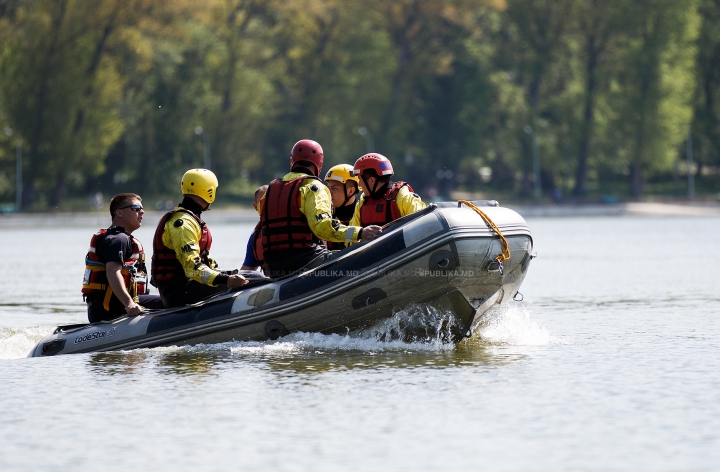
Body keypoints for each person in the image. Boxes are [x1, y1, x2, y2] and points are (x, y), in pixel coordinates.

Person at [258, 139, 382, 277]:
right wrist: (359, 233)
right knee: (358, 259)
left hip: (272, 267)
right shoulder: (313, 187)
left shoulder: (269, 191)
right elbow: (322, 228)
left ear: (292, 161)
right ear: (319, 164)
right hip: (304, 262)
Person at [151, 169, 248, 307]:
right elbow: (191, 267)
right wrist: (225, 280)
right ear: (208, 190)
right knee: (251, 282)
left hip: (187, 285)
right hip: (178, 291)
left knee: (251, 276)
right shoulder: (182, 224)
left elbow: (204, 260)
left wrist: (228, 274)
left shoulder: (191, 219)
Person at [82, 193, 164, 323]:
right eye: (136, 208)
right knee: (171, 302)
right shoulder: (118, 239)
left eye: (142, 209)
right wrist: (129, 304)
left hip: (105, 306)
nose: (142, 212)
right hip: (110, 307)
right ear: (119, 213)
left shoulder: (119, 238)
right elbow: (112, 272)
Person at [349, 153, 425, 232]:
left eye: (360, 180)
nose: (359, 184)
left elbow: (422, 223)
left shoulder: (402, 196)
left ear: (372, 180)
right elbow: (352, 238)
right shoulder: (363, 202)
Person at [324, 164, 362, 250]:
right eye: (328, 188)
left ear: (350, 191)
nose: (329, 193)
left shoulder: (363, 214)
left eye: (334, 188)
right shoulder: (325, 215)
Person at [240, 185, 268, 271]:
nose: (268, 206)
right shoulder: (256, 237)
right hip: (276, 280)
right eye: (263, 203)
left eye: (272, 201)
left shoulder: (298, 223)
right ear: (255, 207)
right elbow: (246, 271)